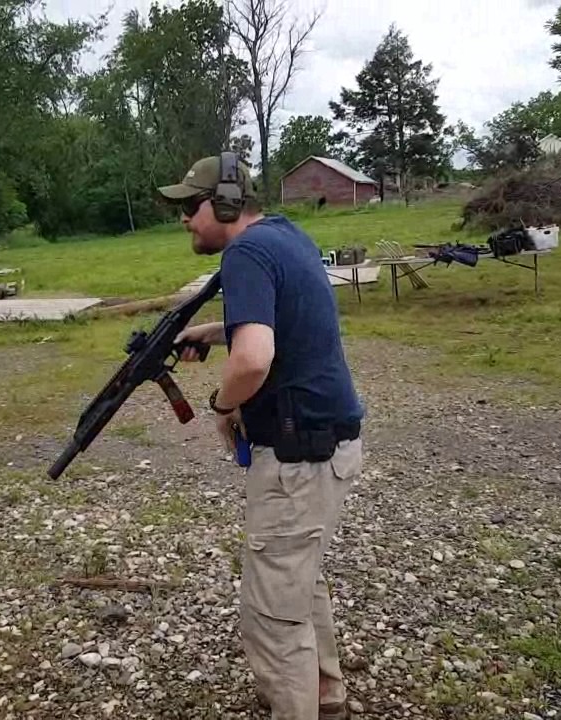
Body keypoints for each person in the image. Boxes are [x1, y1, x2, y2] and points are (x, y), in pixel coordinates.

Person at [158, 154, 365, 720]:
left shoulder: (244, 252)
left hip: (300, 458)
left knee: (272, 614)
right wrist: (213, 329)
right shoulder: (284, 235)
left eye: (190, 207)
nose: (185, 220)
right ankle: (326, 698)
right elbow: (280, 320)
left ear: (224, 203)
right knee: (298, 581)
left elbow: (254, 359)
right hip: (332, 445)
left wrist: (223, 406)